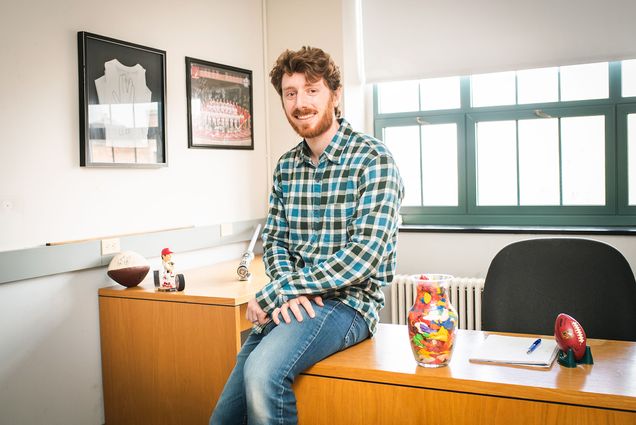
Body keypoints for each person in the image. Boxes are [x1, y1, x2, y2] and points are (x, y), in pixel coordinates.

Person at [210, 46, 403, 425]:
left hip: (348, 305)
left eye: (312, 89)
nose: (300, 102)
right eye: (290, 93)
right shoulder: (285, 167)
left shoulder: (374, 160)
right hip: (294, 304)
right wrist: (288, 292)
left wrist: (282, 291)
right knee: (225, 416)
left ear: (335, 94)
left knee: (263, 372)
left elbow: (363, 256)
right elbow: (276, 242)